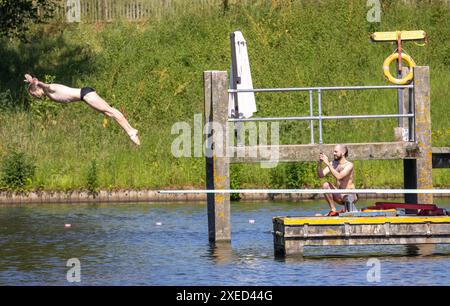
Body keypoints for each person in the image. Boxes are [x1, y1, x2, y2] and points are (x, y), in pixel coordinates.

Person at [24, 74, 140, 146]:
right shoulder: (48, 94)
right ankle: (131, 131)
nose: (35, 97)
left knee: (110, 111)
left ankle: (131, 132)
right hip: (84, 95)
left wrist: (36, 82)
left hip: (85, 95)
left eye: (34, 94)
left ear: (37, 89)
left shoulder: (50, 89)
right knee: (109, 112)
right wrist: (31, 82)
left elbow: (45, 85)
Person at [317, 144, 357, 216]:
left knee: (347, 196)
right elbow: (321, 175)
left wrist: (328, 164)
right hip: (339, 195)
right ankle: (333, 210)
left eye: (336, 152)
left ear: (343, 153)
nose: (333, 153)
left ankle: (348, 210)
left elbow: (339, 177)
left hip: (350, 196)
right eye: (333, 152)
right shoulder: (333, 164)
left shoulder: (349, 165)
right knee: (325, 185)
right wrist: (319, 164)